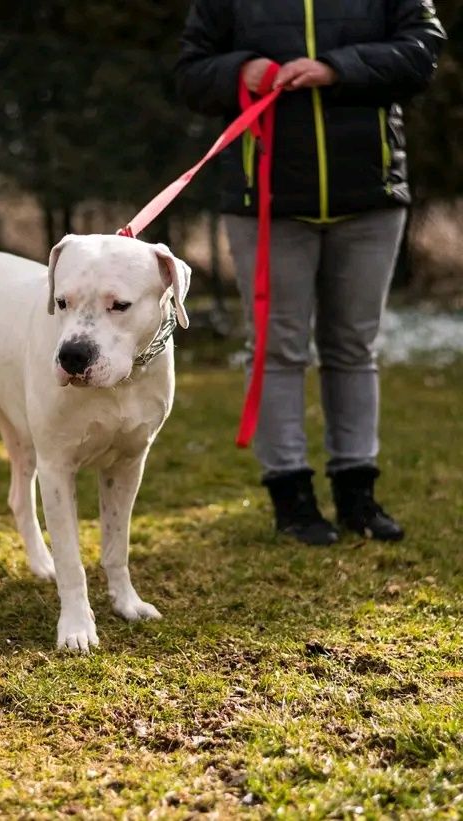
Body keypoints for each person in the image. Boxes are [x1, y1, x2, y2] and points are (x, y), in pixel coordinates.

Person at [175, 0, 446, 546]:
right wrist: (241, 71)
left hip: (370, 196)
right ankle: (291, 497)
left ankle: (356, 492)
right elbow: (189, 73)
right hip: (267, 200)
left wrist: (336, 68)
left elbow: (423, 52)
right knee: (278, 348)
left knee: (353, 346)